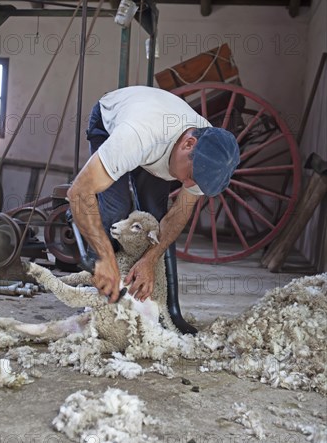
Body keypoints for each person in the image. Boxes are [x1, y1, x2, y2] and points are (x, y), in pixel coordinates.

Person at [67, 85, 240, 335]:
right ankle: (103, 298)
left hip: (159, 145)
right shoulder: (136, 136)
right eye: (191, 177)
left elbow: (179, 214)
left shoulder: (207, 154)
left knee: (157, 217)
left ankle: (170, 308)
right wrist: (105, 258)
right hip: (114, 120)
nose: (190, 186)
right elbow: (79, 192)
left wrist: (150, 259)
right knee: (116, 210)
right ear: (188, 144)